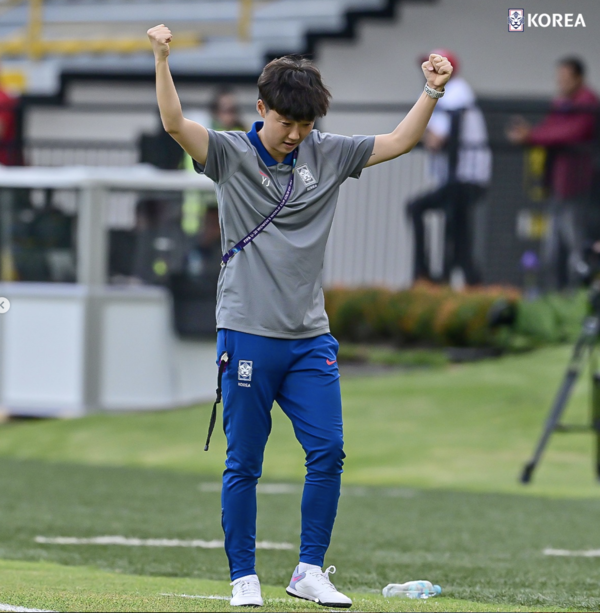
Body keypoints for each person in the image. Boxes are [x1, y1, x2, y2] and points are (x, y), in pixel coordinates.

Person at [148, 23, 452, 608]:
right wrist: (163, 60)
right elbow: (173, 125)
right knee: (245, 461)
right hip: (247, 332)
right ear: (262, 108)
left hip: (310, 336)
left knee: (329, 450)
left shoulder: (329, 153)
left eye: (306, 125)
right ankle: (243, 578)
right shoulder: (232, 154)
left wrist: (431, 92)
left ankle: (309, 570)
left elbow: (397, 142)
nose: (295, 135)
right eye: (287, 122)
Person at [507, 56, 599, 290]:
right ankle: (554, 298)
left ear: (579, 78)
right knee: (552, 250)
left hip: (579, 189)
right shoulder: (561, 103)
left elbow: (569, 133)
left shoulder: (588, 102)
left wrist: (531, 136)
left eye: (566, 78)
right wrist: (529, 134)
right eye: (559, 78)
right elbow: (549, 129)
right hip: (558, 188)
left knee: (577, 248)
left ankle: (578, 298)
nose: (561, 83)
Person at [407, 49, 491, 286]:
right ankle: (463, 281)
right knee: (458, 233)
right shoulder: (441, 91)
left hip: (465, 176)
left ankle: (425, 274)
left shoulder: (456, 90)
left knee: (421, 210)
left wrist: (420, 130)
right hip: (455, 177)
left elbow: (435, 140)